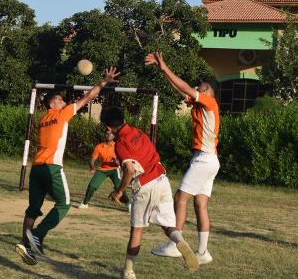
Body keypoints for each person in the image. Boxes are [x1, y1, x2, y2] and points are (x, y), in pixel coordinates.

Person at [15, 67, 120, 266]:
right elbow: (89, 96)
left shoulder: (43, 119)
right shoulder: (61, 113)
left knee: (33, 209)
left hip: (36, 168)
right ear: (54, 103)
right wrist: (104, 82)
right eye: (62, 100)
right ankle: (37, 234)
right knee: (64, 203)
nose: (65, 102)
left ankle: (25, 244)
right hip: (52, 167)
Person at [102, 106, 199, 279]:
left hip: (145, 185)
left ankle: (128, 272)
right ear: (123, 119)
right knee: (168, 225)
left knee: (137, 231)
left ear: (108, 127)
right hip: (162, 180)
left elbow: (130, 170)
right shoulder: (138, 132)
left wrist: (119, 191)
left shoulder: (121, 143)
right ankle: (180, 241)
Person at [145, 52, 220, 265]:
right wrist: (162, 70)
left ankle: (175, 245)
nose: (198, 88)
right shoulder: (200, 105)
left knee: (180, 199)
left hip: (204, 160)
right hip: (210, 160)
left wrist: (165, 65)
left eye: (202, 87)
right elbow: (181, 89)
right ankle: (203, 252)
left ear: (209, 92)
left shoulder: (209, 104)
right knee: (200, 205)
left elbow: (186, 88)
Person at [78, 129, 129, 210]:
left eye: (111, 134)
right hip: (102, 170)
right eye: (107, 133)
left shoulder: (117, 146)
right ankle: (85, 203)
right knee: (92, 185)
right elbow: (92, 160)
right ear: (105, 135)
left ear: (114, 136)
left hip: (114, 169)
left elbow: (122, 160)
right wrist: (92, 166)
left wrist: (118, 162)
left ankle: (129, 204)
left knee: (119, 187)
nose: (109, 135)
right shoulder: (99, 147)